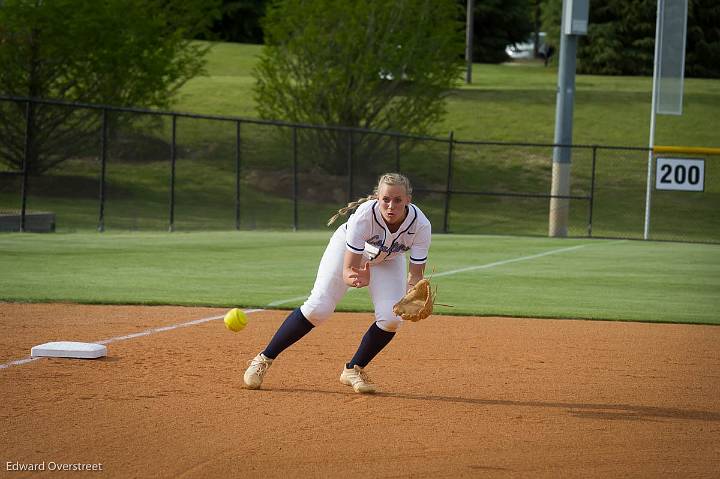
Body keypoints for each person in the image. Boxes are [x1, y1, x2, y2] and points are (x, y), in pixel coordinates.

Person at [243, 172, 431, 394]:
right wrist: (355, 277)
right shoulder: (364, 217)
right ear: (377, 198)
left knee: (392, 318)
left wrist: (413, 294)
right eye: (386, 199)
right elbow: (348, 269)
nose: (391, 205)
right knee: (318, 308)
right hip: (349, 251)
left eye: (398, 200)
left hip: (387, 260)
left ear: (408, 200)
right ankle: (264, 358)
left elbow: (416, 274)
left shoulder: (420, 225)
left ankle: (353, 369)